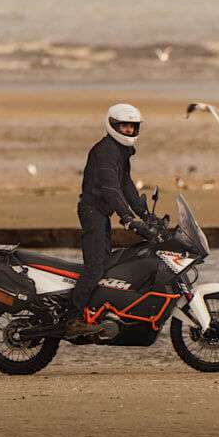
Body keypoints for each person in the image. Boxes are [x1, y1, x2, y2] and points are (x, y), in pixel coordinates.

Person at [66, 103, 153, 337]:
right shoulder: (105, 150)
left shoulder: (120, 151)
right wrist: (127, 218)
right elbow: (110, 188)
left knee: (106, 264)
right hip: (93, 212)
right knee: (95, 268)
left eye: (132, 127)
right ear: (113, 125)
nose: (128, 131)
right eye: (124, 126)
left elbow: (126, 185)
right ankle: (73, 319)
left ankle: (97, 311)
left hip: (101, 214)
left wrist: (146, 215)